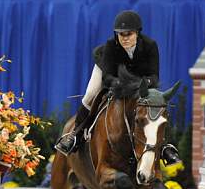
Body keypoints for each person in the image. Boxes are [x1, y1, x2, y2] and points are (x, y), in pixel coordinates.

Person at [55, 10, 181, 166]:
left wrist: (141, 84)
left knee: (157, 106)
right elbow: (107, 77)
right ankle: (75, 134)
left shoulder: (150, 46)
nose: (125, 38)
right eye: (121, 34)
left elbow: (154, 76)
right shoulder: (110, 46)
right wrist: (119, 84)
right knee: (90, 95)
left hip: (138, 82)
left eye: (129, 34)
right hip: (110, 73)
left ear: (137, 33)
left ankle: (164, 146)